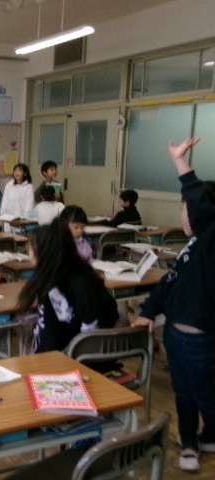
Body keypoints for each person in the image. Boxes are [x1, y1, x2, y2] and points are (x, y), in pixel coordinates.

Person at [133, 137, 215, 472]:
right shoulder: (193, 246)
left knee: (205, 395)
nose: (183, 213)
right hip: (176, 336)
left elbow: (198, 200)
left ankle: (204, 436)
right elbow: (169, 282)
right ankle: (191, 441)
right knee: (184, 392)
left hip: (200, 339)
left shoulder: (210, 242)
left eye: (185, 208)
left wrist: (180, 162)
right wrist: (147, 312)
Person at [16, 222, 118, 354]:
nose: (28, 254)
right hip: (90, 349)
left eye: (30, 249)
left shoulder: (55, 285)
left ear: (45, 251)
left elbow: (50, 339)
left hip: (76, 355)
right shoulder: (78, 272)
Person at [0, 163, 35, 232]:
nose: (16, 173)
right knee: (8, 236)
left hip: (21, 221)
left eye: (19, 171)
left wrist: (24, 219)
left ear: (25, 173)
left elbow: (29, 206)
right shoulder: (9, 185)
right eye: (15, 171)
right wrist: (3, 215)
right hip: (8, 219)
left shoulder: (29, 187)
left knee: (19, 236)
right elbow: (5, 202)